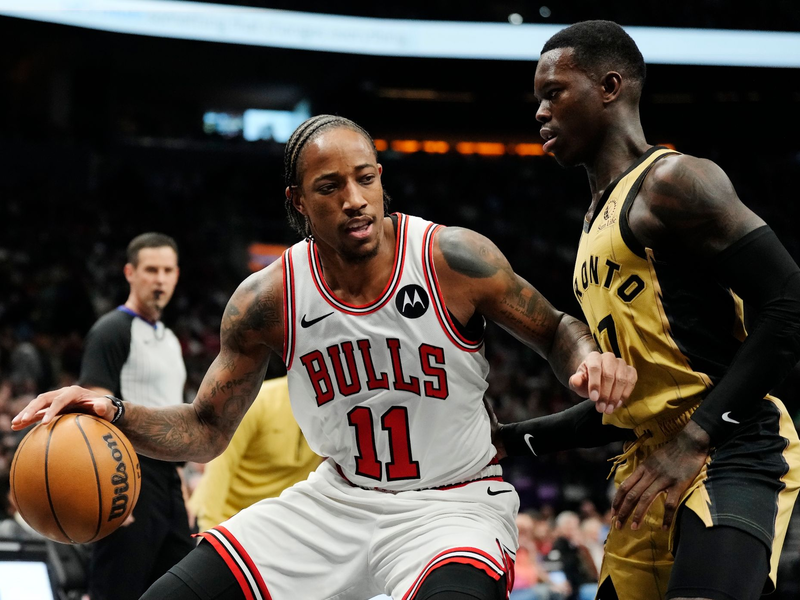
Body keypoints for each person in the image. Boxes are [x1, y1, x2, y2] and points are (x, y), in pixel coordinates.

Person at [12, 115, 636, 600]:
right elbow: (205, 431)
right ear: (298, 201)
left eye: (365, 178)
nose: (355, 199)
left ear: (381, 177)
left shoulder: (451, 258)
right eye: (330, 187)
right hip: (338, 501)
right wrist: (115, 412)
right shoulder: (266, 299)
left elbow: (556, 329)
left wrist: (589, 358)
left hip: (452, 505)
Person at [495, 20, 800, 600]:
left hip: (733, 444)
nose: (540, 112)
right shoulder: (594, 220)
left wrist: (696, 437)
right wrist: (510, 439)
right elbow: (630, 402)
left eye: (554, 93)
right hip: (650, 460)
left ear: (610, 87)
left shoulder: (674, 182)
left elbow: (790, 303)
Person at [78, 232, 194, 600]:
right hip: (128, 475)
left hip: (169, 480)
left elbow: (173, 415)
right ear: (130, 272)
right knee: (118, 589)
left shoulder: (170, 340)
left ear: (177, 275)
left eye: (167, 270)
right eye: (151, 270)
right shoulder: (111, 330)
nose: (160, 279)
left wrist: (182, 483)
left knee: (178, 589)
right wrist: (112, 488)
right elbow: (93, 410)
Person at [188, 375, 322, 531]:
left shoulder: (335, 413)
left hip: (274, 526)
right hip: (226, 521)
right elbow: (221, 468)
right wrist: (208, 529)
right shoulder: (258, 401)